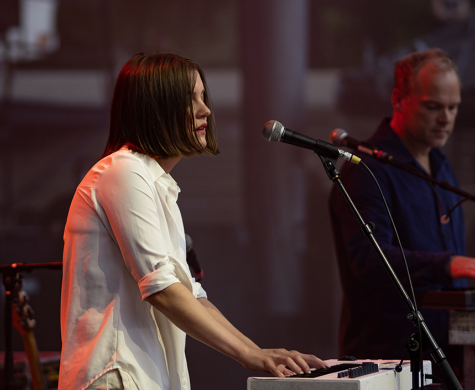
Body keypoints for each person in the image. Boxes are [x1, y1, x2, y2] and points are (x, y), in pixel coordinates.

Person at [60, 53, 328, 390]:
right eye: (191, 99)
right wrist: (250, 355)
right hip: (116, 377)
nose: (206, 110)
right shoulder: (122, 171)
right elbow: (163, 290)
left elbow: (192, 295)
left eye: (204, 97)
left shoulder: (158, 186)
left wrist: (259, 352)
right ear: (157, 108)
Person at [328, 49, 475, 363]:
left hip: (446, 355)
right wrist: (445, 264)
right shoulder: (366, 171)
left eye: (453, 107)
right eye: (433, 106)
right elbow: (368, 260)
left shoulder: (441, 164)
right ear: (398, 100)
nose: (446, 118)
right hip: (388, 359)